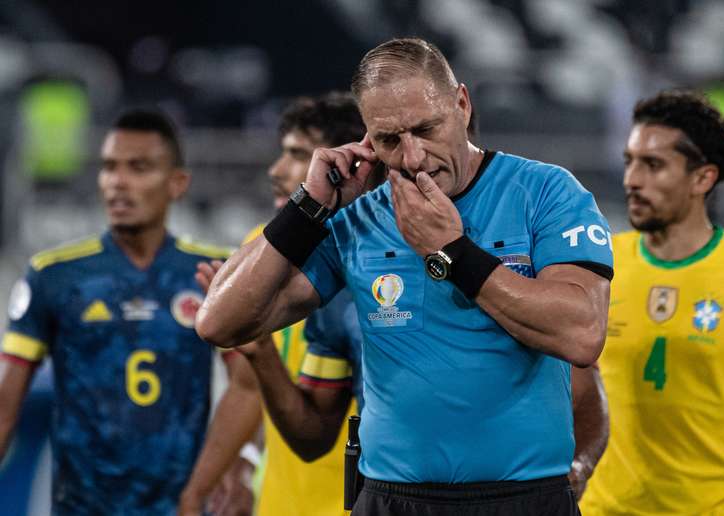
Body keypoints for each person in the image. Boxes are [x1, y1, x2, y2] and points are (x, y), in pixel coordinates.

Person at [197, 38, 613, 515]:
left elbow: (582, 333)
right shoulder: (359, 219)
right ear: (367, 139)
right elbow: (218, 323)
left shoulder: (546, 192)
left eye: (427, 129)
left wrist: (451, 251)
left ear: (461, 103)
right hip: (393, 500)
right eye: (390, 139)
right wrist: (308, 206)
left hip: (523, 498)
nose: (414, 158)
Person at [0, 108, 246, 515]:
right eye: (109, 167)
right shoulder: (55, 276)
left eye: (139, 167)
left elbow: (248, 384)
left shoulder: (213, 272)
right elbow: (6, 408)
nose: (118, 182)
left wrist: (232, 468)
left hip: (181, 504)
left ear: (177, 183)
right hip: (80, 505)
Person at [580, 90, 724, 515]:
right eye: (630, 161)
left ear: (702, 178)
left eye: (653, 165)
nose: (632, 179)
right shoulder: (597, 265)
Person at [180, 92, 370, 516]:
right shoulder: (259, 257)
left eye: (298, 155)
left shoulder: (372, 262)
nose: (277, 171)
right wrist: (226, 473)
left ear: (351, 163)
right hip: (281, 502)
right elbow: (247, 387)